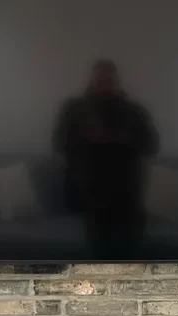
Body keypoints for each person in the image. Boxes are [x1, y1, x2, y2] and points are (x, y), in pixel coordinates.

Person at [53, 60, 159, 257]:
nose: (104, 85)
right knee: (97, 253)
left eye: (109, 80)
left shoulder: (133, 111)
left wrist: (124, 138)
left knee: (130, 253)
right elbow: (59, 144)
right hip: (90, 196)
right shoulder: (74, 110)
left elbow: (152, 146)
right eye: (100, 80)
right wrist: (87, 137)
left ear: (117, 82)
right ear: (92, 81)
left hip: (126, 197)